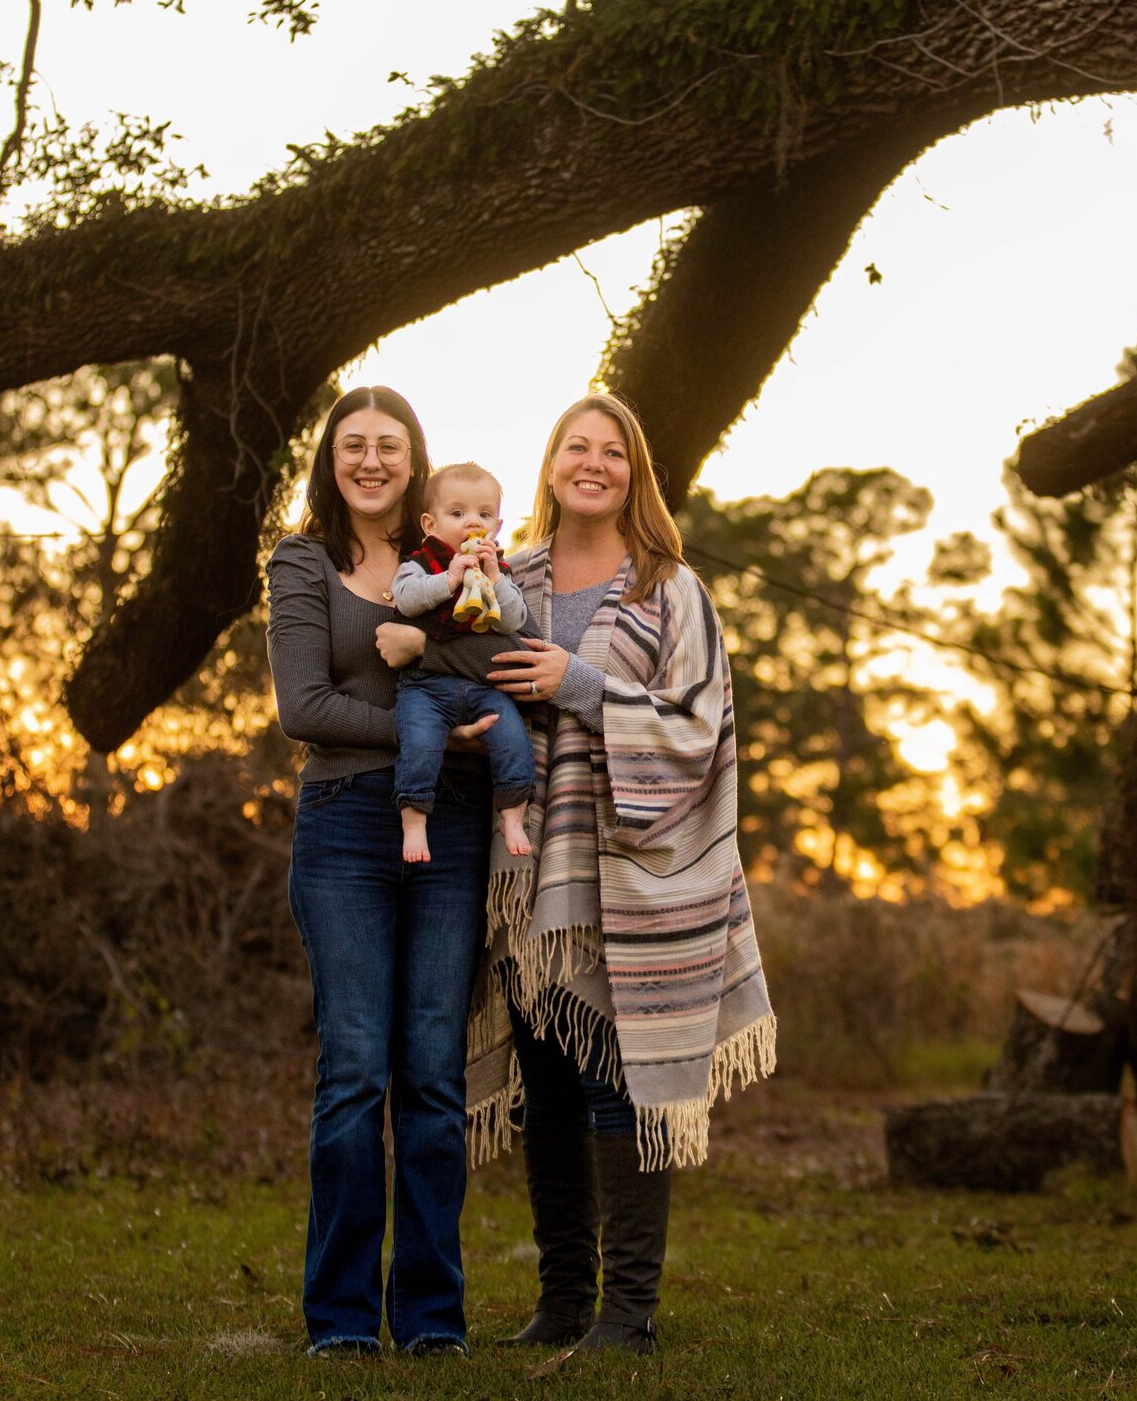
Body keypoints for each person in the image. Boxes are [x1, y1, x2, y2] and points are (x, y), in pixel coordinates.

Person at [473, 391, 778, 1355]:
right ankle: (563, 1300)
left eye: (613, 450)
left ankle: (628, 1313)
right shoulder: (504, 572)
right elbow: (453, 675)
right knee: (547, 1084)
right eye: (577, 446)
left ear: (633, 472)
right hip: (526, 872)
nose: (592, 462)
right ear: (553, 463)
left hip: (636, 872)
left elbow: (699, 724)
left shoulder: (668, 589)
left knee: (623, 1079)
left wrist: (580, 684)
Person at [265, 386, 494, 1359]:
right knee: (356, 1072)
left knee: (435, 1075)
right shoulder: (302, 559)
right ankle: (345, 1321)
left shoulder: (449, 552)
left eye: (388, 446)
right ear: (331, 458)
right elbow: (304, 707)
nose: (370, 460)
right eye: (352, 444)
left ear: (413, 460)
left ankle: (433, 1318)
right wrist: (436, 732)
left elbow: (502, 647)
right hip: (344, 830)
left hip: (452, 833)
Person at [389, 462, 535, 865]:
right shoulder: (420, 563)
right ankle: (414, 820)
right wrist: (449, 580)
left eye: (484, 515)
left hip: (482, 687)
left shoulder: (499, 569)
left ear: (498, 526)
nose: (473, 523)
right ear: (429, 523)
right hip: (425, 685)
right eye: (458, 514)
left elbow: (513, 622)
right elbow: (407, 599)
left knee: (512, 739)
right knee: (419, 741)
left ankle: (512, 814)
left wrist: (496, 579)